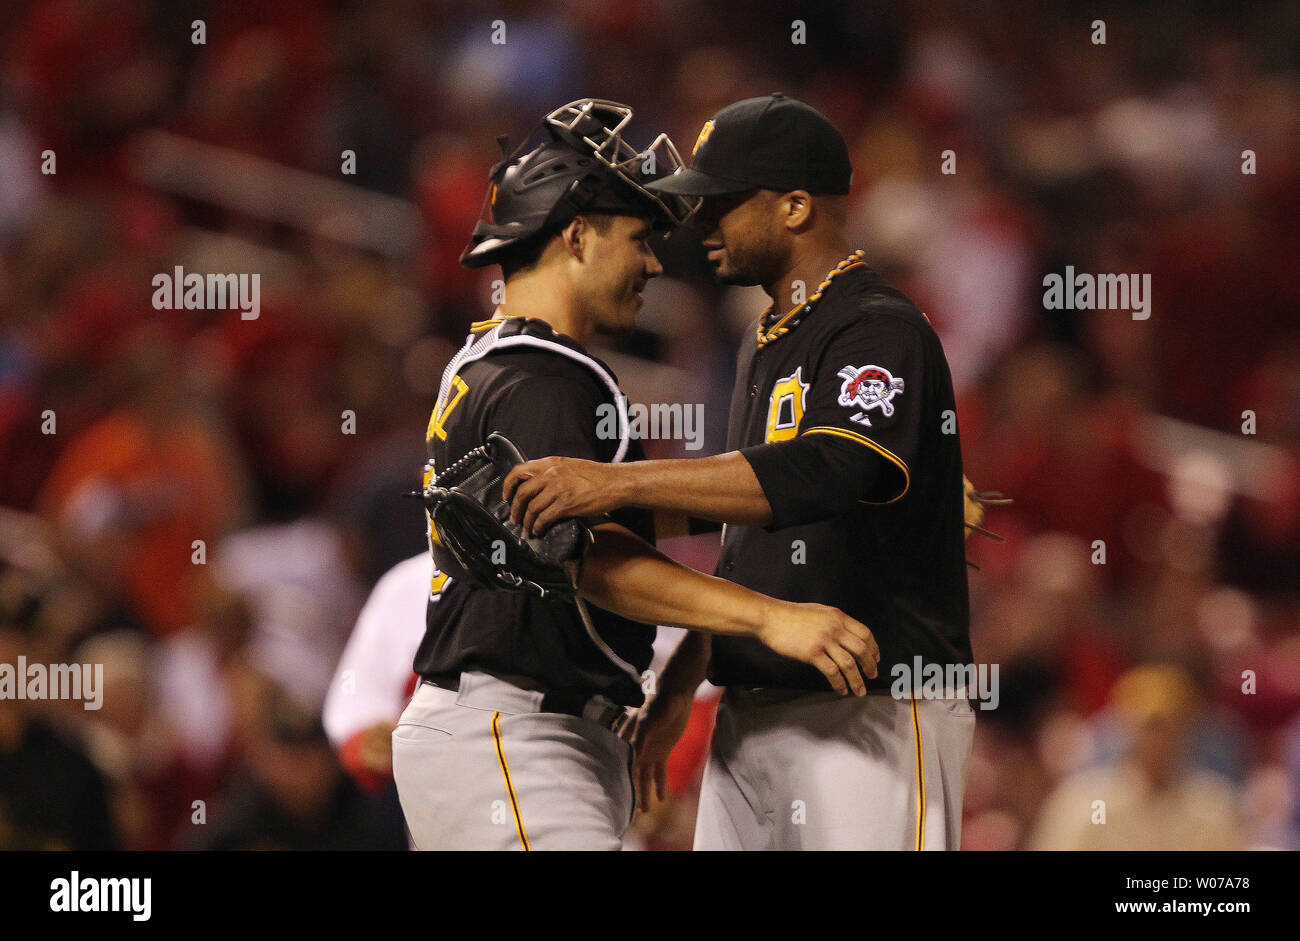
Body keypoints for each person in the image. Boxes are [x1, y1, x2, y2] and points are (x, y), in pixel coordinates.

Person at [391, 99, 879, 851]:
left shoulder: (498, 361)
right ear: (577, 235)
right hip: (516, 728)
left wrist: (803, 496)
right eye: (638, 238)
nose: (653, 262)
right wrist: (767, 615)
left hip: (524, 731)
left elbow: (626, 521)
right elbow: (591, 562)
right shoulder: (545, 375)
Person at [506, 94, 978, 850]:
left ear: (795, 206)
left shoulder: (878, 325)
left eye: (719, 203)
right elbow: (748, 531)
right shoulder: (766, 337)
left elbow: (830, 469)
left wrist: (618, 482)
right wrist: (685, 678)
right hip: (751, 712)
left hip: (875, 709)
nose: (697, 223)